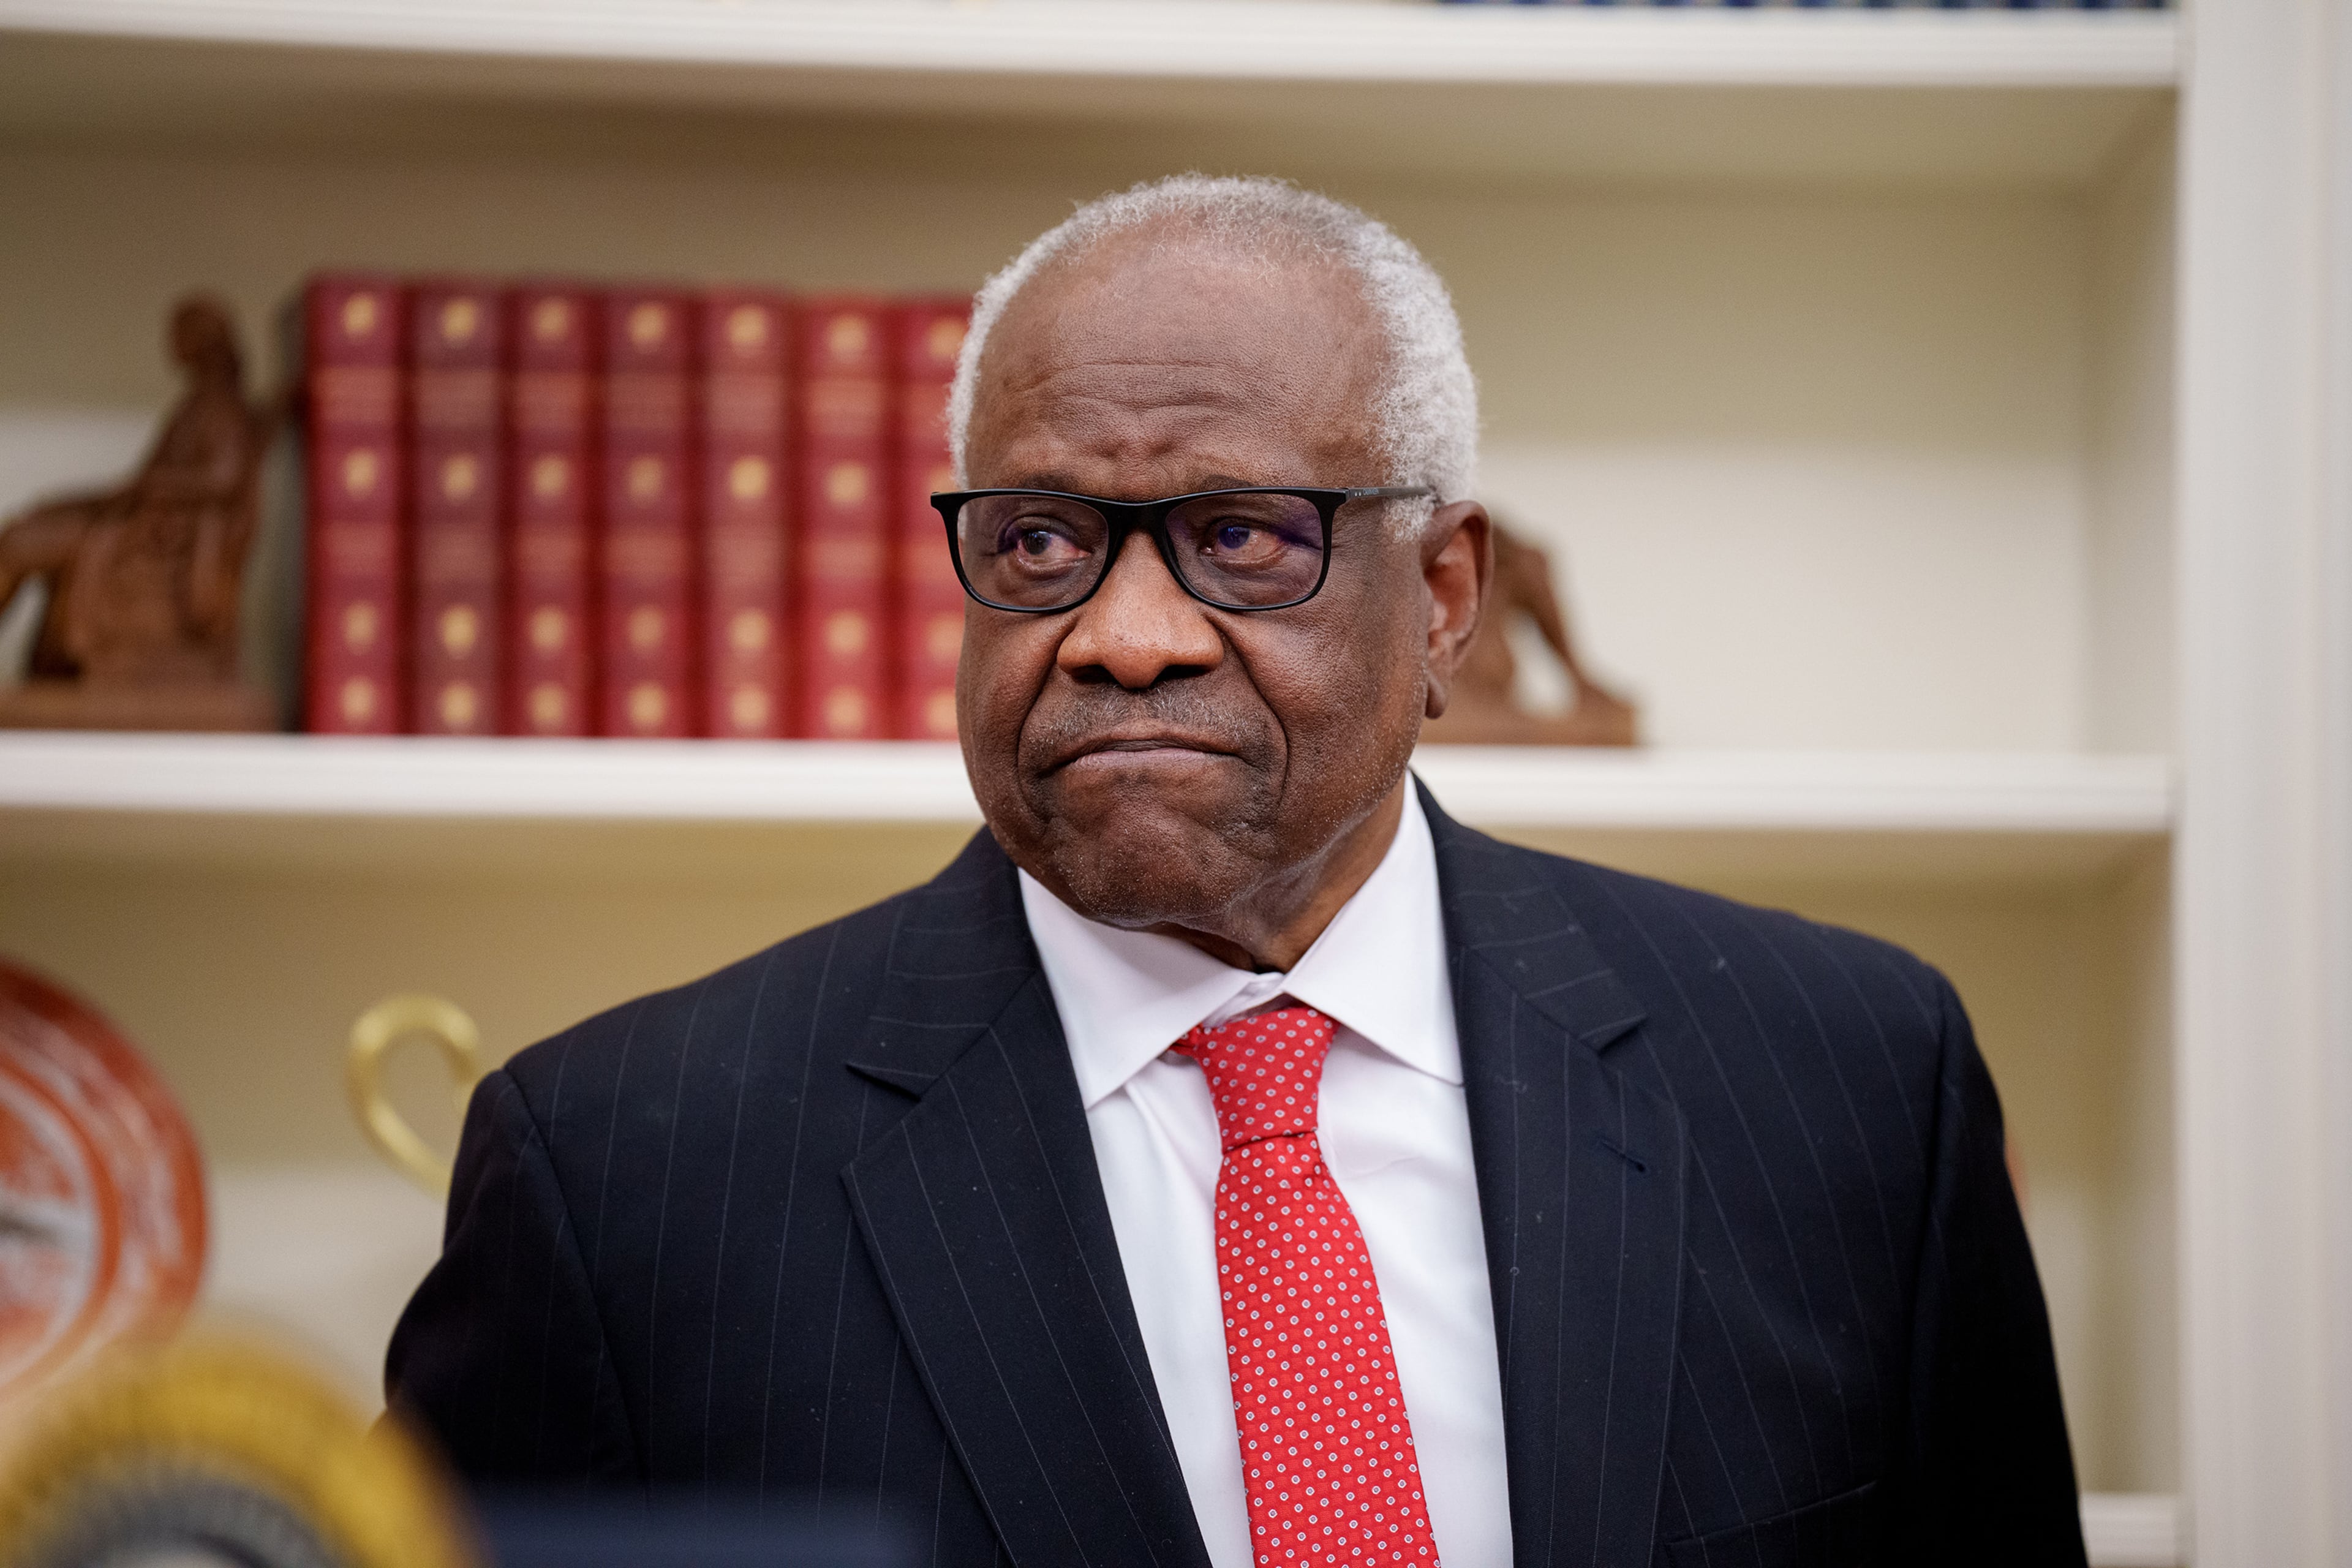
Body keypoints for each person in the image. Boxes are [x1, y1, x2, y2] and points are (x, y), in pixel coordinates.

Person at [388, 176, 2086, 1567]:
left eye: (1243, 538)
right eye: (1040, 543)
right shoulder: (618, 1179)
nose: (1124, 638)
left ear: (1441, 598)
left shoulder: (1856, 1088)